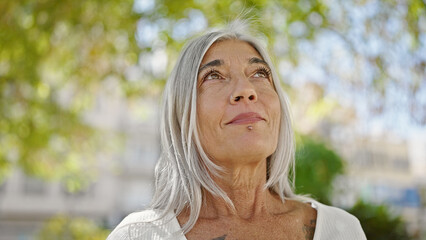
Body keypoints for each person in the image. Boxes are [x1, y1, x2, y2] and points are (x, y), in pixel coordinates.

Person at [107, 20, 366, 240]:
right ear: (183, 115)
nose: (246, 90)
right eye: (214, 76)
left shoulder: (341, 230)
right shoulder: (138, 235)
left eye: (259, 74)